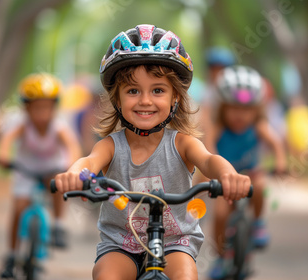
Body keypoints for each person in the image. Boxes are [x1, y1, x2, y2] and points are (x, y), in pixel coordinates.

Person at [52, 24, 252, 280]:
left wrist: (229, 175)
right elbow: (88, 161)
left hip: (174, 243)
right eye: (133, 91)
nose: (145, 100)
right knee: (106, 276)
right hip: (121, 244)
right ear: (117, 99)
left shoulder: (183, 144)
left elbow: (209, 160)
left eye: (157, 90)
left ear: (175, 98)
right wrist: (73, 174)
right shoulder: (111, 146)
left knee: (185, 276)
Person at [0, 72, 81, 278]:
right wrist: (3, 155)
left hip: (52, 167)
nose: (42, 113)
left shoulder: (58, 126)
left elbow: (72, 145)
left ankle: (58, 225)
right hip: (25, 168)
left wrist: (73, 165)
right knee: (18, 208)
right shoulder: (22, 124)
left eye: (47, 107)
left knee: (59, 185)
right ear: (26, 108)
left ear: (54, 108)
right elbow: (7, 140)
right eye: (36, 108)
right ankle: (12, 255)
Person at [206, 65, 287, 279]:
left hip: (251, 174)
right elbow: (208, 147)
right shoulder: (219, 126)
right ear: (223, 108)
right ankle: (221, 256)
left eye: (247, 109)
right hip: (225, 179)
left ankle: (258, 222)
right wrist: (211, 168)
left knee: (259, 187)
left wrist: (280, 162)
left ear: (257, 110)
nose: (240, 115)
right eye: (233, 108)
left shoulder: (259, 126)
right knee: (221, 215)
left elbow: (276, 143)